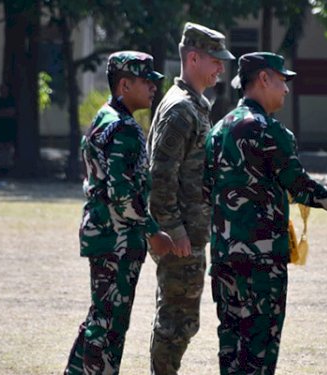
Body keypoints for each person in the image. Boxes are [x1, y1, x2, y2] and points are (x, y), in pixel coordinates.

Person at [203, 52, 327, 375]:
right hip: (261, 263)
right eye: (282, 81)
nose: (286, 90)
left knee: (231, 348)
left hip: (225, 257)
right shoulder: (268, 130)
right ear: (264, 79)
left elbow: (205, 190)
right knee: (259, 350)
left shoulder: (217, 131)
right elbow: (300, 186)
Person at [64, 51, 174, 375]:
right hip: (118, 239)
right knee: (109, 326)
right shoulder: (123, 128)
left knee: (99, 317)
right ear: (124, 85)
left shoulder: (103, 118)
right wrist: (153, 231)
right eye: (146, 81)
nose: (154, 87)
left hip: (105, 233)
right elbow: (122, 193)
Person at [146, 22, 235, 375]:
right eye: (215, 60)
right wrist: (174, 229)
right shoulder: (180, 109)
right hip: (181, 236)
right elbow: (160, 176)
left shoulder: (194, 104)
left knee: (180, 318)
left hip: (191, 232)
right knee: (176, 321)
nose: (221, 68)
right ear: (194, 58)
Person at [0, 83, 17, 177]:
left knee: (8, 146)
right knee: (0, 146)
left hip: (9, 126)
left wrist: (3, 113)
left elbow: (12, 112)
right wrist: (5, 112)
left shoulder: (11, 100)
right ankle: (2, 166)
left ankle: (7, 165)